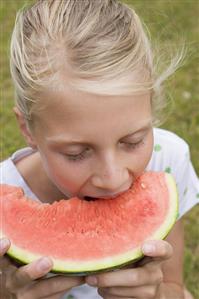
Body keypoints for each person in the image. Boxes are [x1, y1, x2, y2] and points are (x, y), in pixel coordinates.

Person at [0, 0, 198, 298]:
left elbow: (173, 285)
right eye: (77, 153)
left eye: (132, 142)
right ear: (28, 129)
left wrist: (157, 295)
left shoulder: (168, 159)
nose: (112, 178)